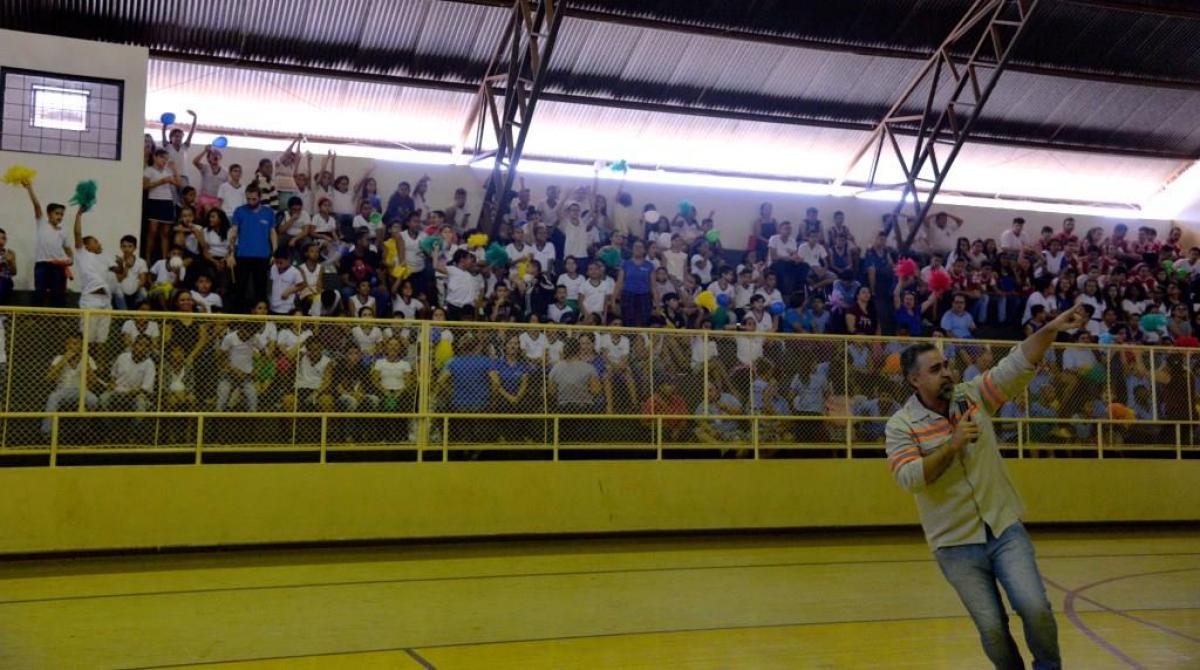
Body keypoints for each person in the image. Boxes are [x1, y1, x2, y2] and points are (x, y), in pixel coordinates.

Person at [884, 304, 1087, 670]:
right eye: (935, 370)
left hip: (1003, 525)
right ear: (914, 380)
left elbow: (1017, 365)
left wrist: (1051, 328)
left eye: (946, 365)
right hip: (954, 543)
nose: (947, 373)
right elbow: (909, 478)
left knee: (1035, 607)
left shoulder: (973, 396)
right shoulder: (901, 425)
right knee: (992, 628)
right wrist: (952, 446)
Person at [21, 179, 72, 307]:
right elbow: (37, 206)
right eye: (57, 213)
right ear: (49, 214)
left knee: (57, 294)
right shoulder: (42, 224)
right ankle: (34, 316)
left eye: (62, 214)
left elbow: (68, 250)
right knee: (39, 292)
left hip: (57, 267)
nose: (60, 217)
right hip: (42, 265)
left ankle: (57, 317)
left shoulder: (63, 231)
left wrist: (70, 260)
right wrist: (29, 189)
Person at [229, 185, 279, 312]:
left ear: (260, 197)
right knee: (240, 289)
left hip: (262, 256)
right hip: (243, 255)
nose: (251, 202)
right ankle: (239, 317)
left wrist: (274, 253)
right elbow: (234, 232)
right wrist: (231, 253)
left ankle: (260, 318)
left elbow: (273, 233)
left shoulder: (268, 213)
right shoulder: (239, 211)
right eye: (248, 199)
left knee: (260, 290)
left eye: (254, 199)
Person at [70, 207, 113, 344]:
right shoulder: (82, 254)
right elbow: (77, 233)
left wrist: (123, 266)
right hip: (90, 300)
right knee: (87, 340)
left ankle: (99, 359)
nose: (99, 243)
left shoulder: (104, 259)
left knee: (102, 341)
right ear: (86, 245)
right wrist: (79, 214)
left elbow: (120, 272)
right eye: (95, 241)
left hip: (106, 301)